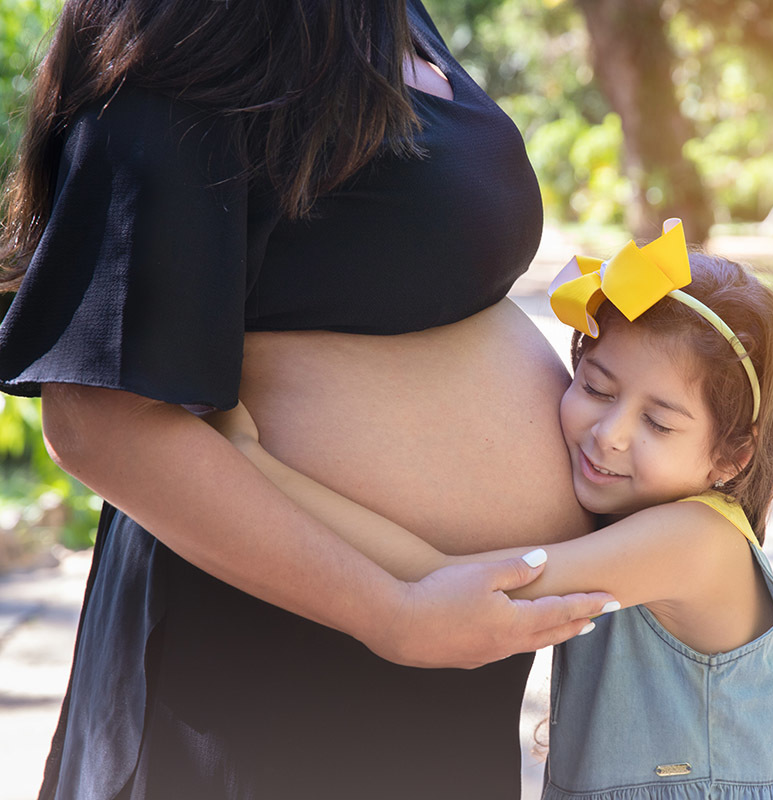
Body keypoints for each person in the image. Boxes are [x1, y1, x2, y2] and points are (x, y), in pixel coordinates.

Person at [0, 2, 614, 797]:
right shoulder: (194, 37)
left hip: (433, 670)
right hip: (270, 668)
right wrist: (393, 611)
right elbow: (99, 423)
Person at [206, 220, 773, 799]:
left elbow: (446, 578)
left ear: (731, 458)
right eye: (596, 388)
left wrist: (253, 465)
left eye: (657, 422)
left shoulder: (693, 541)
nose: (610, 434)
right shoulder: (650, 520)